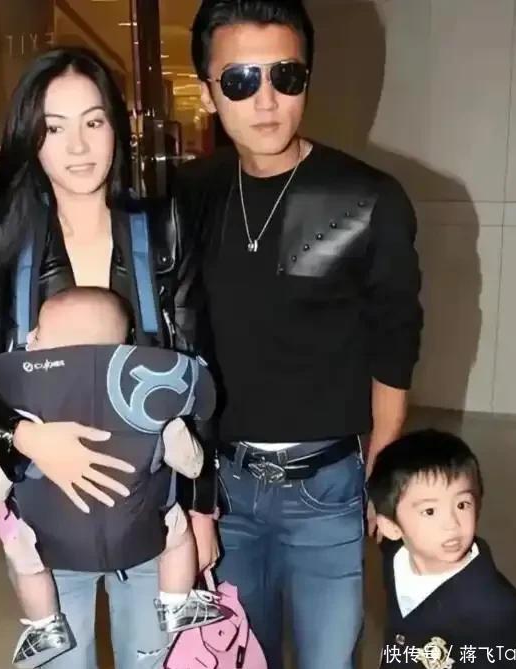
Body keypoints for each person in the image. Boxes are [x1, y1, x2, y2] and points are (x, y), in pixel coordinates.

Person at [0, 47, 219, 669]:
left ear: (117, 129)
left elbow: (194, 368)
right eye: (54, 127)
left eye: (93, 122)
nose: (77, 146)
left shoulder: (160, 228)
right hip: (49, 512)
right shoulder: (9, 239)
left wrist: (202, 507)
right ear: (30, 139)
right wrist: (28, 440)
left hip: (150, 511)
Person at [172, 2, 424, 668]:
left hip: (326, 486)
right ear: (208, 92)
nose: (266, 100)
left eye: (286, 76)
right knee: (238, 655)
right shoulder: (190, 193)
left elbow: (396, 332)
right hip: (221, 486)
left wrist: (385, 455)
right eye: (240, 80)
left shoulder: (366, 199)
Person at [0, 287, 228, 668]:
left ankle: (44, 625)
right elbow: (190, 462)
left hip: (52, 538)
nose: (30, 337)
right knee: (175, 533)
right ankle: (176, 602)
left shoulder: (28, 409)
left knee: (24, 555)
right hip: (140, 534)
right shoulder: (149, 404)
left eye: (39, 332)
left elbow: (0, 461)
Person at [368, 430, 516, 668]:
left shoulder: (498, 611)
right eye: (430, 511)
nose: (452, 523)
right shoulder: (396, 556)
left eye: (462, 505)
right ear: (392, 528)